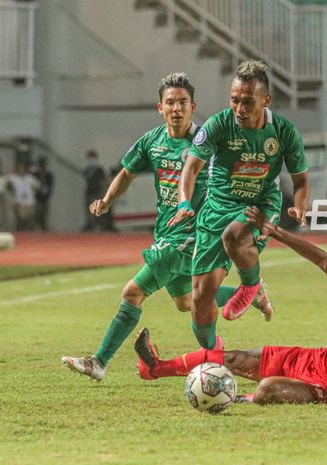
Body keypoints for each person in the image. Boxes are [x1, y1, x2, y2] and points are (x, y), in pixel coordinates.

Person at [61, 73, 273, 382]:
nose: (177, 109)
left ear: (193, 106)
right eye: (171, 103)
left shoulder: (208, 142)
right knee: (186, 301)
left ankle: (99, 361)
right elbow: (126, 173)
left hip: (194, 235)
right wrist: (106, 201)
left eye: (183, 103)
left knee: (132, 292)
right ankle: (242, 304)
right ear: (160, 108)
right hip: (165, 230)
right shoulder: (152, 141)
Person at [134, 206, 327, 406]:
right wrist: (276, 232)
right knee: (235, 357)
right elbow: (323, 259)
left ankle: (237, 399)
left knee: (269, 388)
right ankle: (154, 369)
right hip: (319, 361)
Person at [167, 60, 310, 351]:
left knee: (234, 235)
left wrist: (299, 206)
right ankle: (213, 354)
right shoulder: (219, 125)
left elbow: (301, 181)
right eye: (234, 101)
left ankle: (250, 285)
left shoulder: (283, 132)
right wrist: (184, 201)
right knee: (200, 298)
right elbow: (191, 169)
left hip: (261, 203)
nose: (240, 109)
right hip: (217, 207)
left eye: (247, 102)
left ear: (266, 100)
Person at [82, 149, 109, 231]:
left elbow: (103, 181)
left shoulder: (99, 169)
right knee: (89, 210)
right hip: (90, 192)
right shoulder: (87, 170)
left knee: (97, 210)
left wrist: (102, 192)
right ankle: (91, 225)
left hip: (97, 192)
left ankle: (99, 226)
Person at [8, 162, 40, 231]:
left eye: (23, 169)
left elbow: (37, 186)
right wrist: (12, 170)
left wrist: (33, 191)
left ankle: (29, 233)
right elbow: (7, 178)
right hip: (20, 202)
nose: (21, 170)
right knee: (20, 220)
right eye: (20, 169)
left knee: (29, 220)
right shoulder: (14, 178)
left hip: (29, 202)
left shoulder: (30, 178)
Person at [33, 157, 54, 231]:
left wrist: (48, 192)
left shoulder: (48, 174)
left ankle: (43, 226)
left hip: (45, 197)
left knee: (44, 213)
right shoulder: (36, 174)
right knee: (37, 213)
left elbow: (51, 185)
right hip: (37, 197)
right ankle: (36, 227)